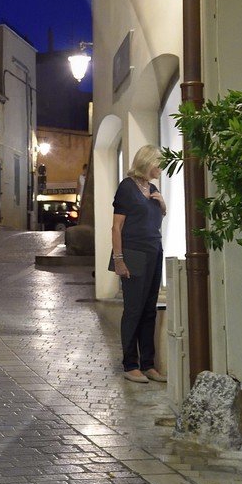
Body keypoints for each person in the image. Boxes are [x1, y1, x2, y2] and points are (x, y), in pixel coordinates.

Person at [111, 144, 167, 383]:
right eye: (159, 163)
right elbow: (116, 227)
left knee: (149, 310)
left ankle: (148, 365)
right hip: (133, 254)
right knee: (133, 310)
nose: (161, 168)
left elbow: (153, 220)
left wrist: (162, 205)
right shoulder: (127, 188)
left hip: (155, 252)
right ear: (147, 162)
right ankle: (130, 364)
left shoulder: (153, 189)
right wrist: (119, 260)